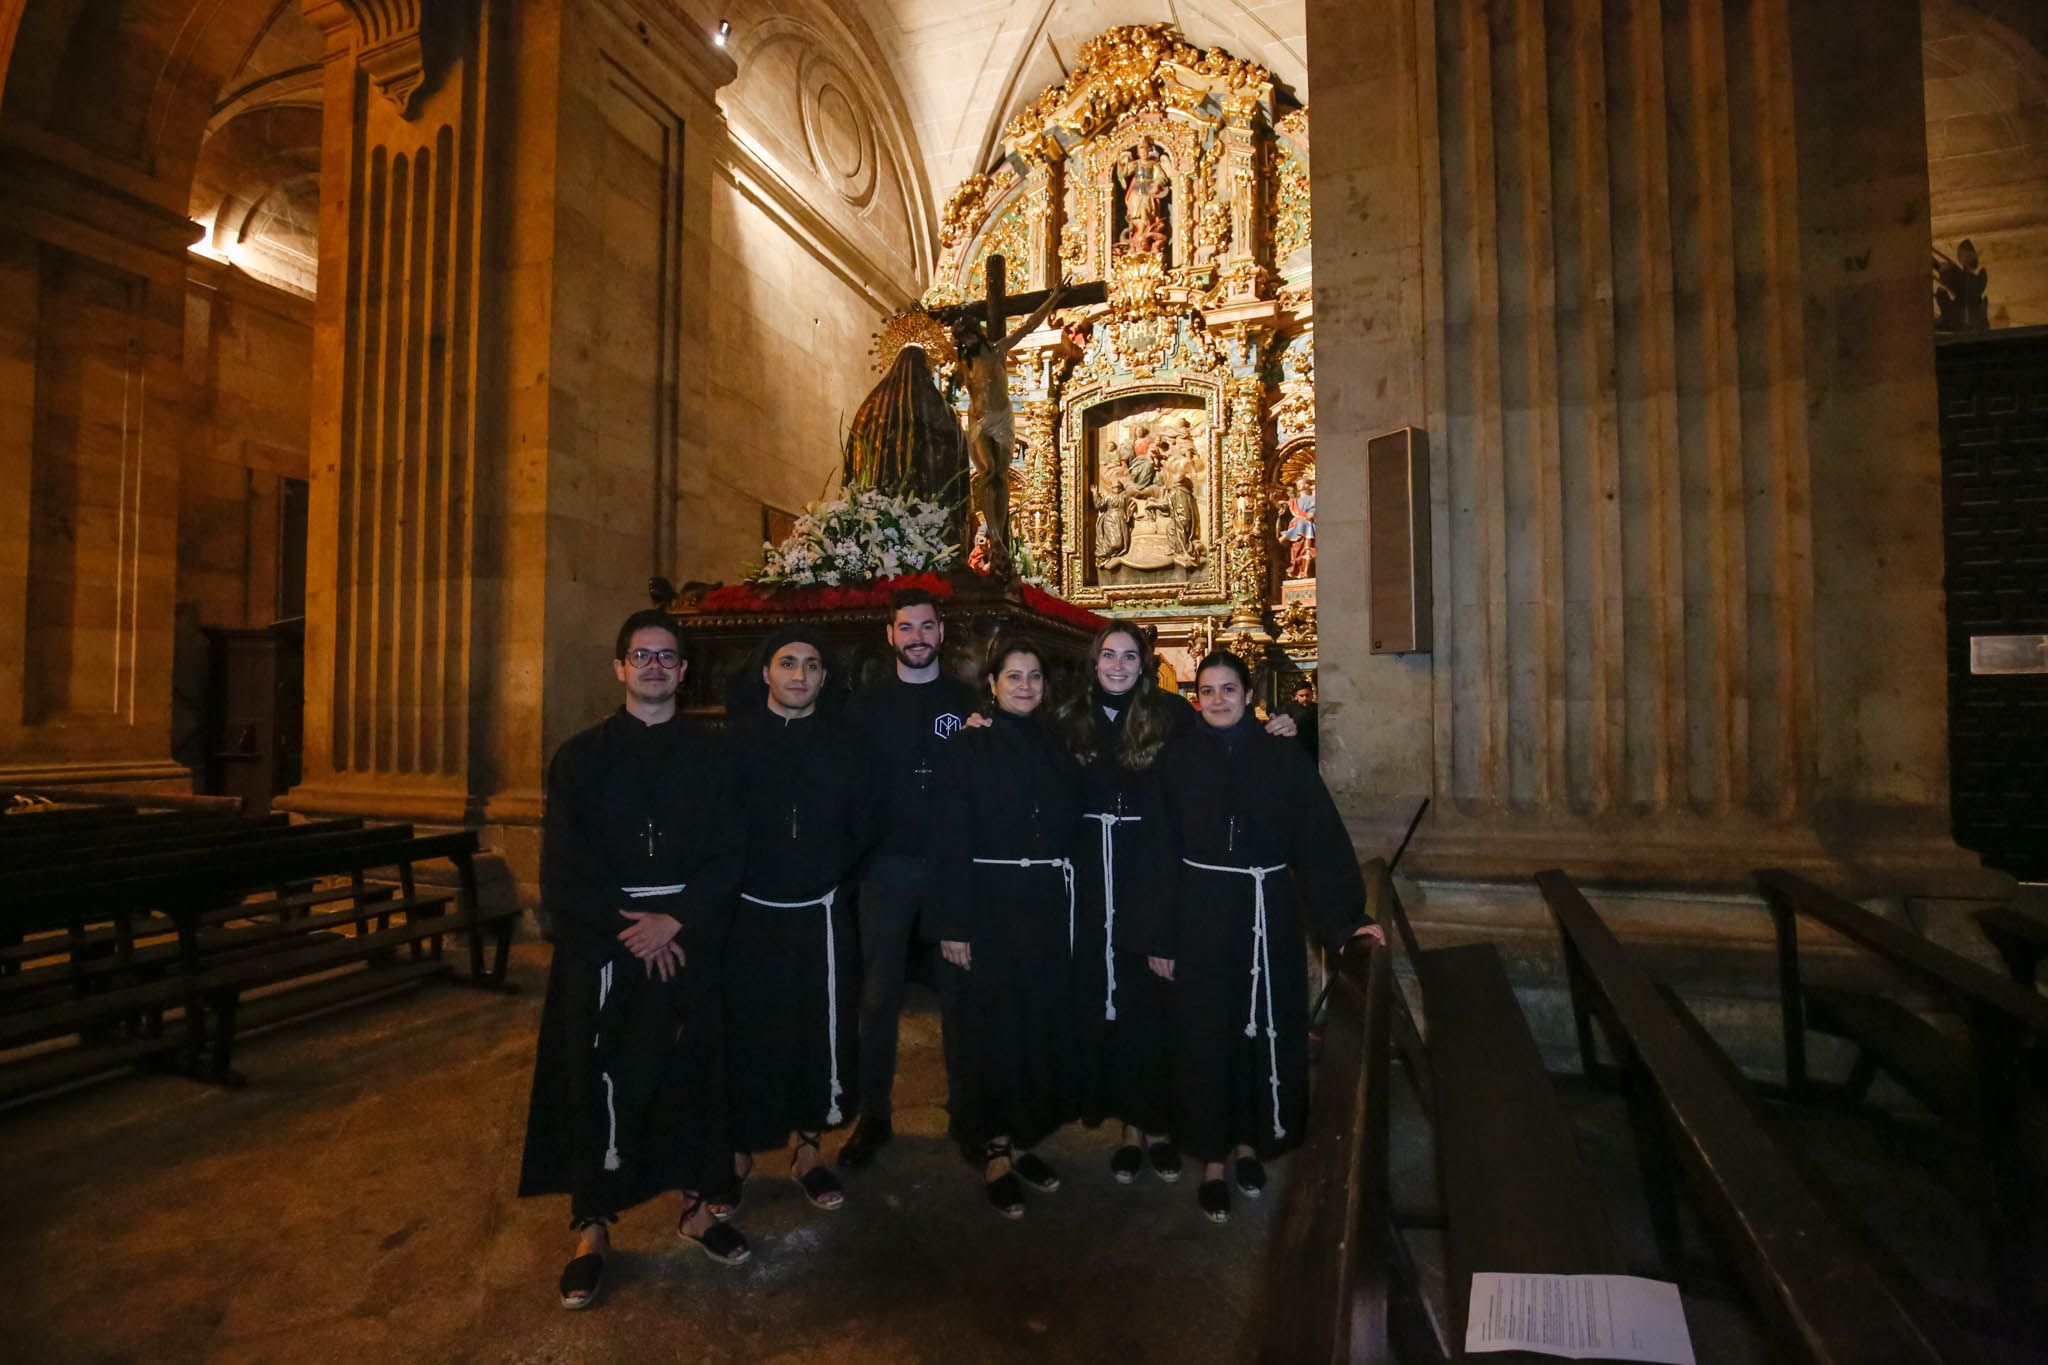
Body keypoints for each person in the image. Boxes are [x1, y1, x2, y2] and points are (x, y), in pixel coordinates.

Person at [518, 609, 750, 1312]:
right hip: (607, 947)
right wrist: (635, 928)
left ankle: (697, 1206)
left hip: (686, 941)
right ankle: (592, 1227)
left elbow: (731, 852)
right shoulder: (579, 759)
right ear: (619, 667)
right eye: (640, 655)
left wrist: (675, 918)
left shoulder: (714, 756)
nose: (653, 666)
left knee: (694, 1075)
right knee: (596, 1079)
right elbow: (565, 863)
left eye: (666, 657)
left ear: (683, 672)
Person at [1055, 627, 1304, 1185]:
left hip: (1157, 864)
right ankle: (1126, 1124)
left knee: (1156, 1001)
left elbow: (1230, 751)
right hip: (1093, 871)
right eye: (1107, 656)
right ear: (1093, 663)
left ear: (1145, 663)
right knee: (1105, 992)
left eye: (1129, 656)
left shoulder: (1172, 711)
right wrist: (983, 722)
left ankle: (1161, 1121)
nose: (1118, 666)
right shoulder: (1068, 714)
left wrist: (1283, 724)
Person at [1158, 649, 1383, 1224]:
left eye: (1228, 689)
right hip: (1201, 915)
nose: (1217, 700)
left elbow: (1318, 841)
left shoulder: (1282, 757)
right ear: (1195, 697)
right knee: (1210, 1034)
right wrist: (1158, 935)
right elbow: (1156, 851)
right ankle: (1212, 1158)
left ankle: (1252, 1142)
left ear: (1250, 695)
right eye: (1206, 691)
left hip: (1267, 914)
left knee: (1262, 1028)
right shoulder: (1178, 759)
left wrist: (1346, 920)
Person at [928, 636, 1084, 1218]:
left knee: (1034, 1023)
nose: (1025, 685)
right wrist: (953, 924)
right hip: (986, 905)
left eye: (1034, 676)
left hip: (1043, 905)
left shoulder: (1056, 744)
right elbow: (947, 839)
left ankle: (1020, 1138)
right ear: (990, 685)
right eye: (1013, 676)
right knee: (988, 1027)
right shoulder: (967, 747)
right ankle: (990, 1147)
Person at [723, 626, 873, 1214]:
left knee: (818, 1031)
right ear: (766, 672)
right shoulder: (731, 745)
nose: (800, 676)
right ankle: (738, 1153)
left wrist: (836, 882)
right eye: (788, 663)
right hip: (750, 915)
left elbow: (866, 825)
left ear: (823, 678)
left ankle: (809, 1150)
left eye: (812, 665)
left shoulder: (845, 748)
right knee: (748, 1032)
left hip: (820, 915)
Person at [838, 587, 981, 1167]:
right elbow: (847, 788)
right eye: (906, 627)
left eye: (927, 626)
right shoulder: (864, 708)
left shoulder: (969, 699)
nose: (917, 636)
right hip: (889, 868)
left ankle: (967, 1114)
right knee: (878, 997)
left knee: (961, 995)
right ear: (890, 636)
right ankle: (873, 1115)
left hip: (952, 869)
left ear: (940, 634)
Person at [1283, 679, 1319, 756]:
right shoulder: (1289, 708)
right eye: (1301, 696)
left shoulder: (1318, 709)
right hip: (1295, 750)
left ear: (1312, 695)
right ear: (1296, 696)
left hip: (1314, 750)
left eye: (1307, 695)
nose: (1305, 698)